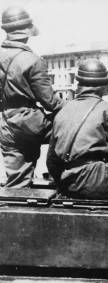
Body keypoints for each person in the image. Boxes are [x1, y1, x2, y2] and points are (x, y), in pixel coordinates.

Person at [46, 59, 108, 199]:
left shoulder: (63, 111)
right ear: (104, 85)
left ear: (79, 83)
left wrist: (63, 183)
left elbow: (51, 160)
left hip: (68, 182)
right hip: (97, 180)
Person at [0, 6, 63, 187]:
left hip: (4, 123)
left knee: (17, 181)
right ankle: (61, 176)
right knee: (71, 128)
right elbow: (50, 102)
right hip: (29, 122)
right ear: (27, 31)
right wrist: (74, 107)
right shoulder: (33, 60)